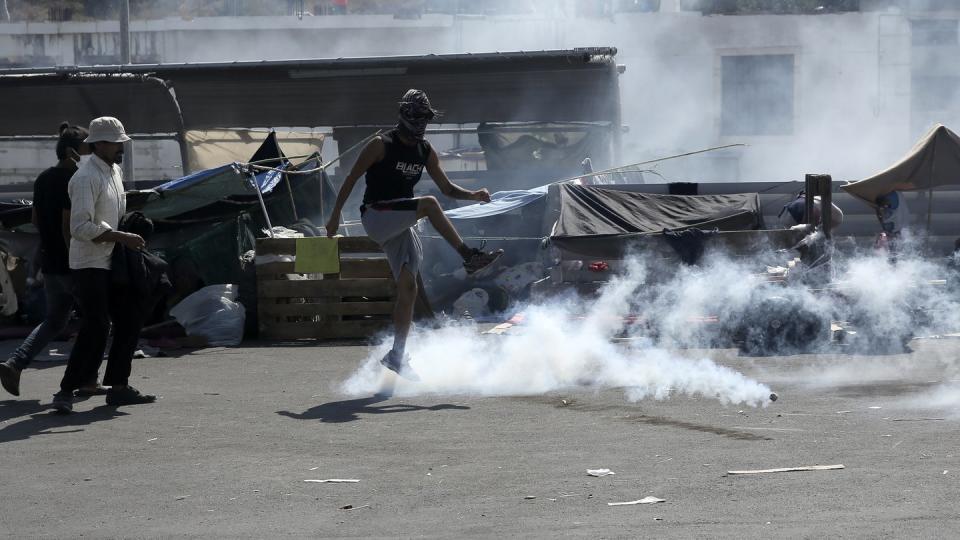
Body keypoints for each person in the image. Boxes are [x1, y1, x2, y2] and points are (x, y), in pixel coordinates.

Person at [325, 89, 503, 379]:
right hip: (376, 215)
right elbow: (350, 179)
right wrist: (334, 218)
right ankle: (468, 256)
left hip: (400, 222)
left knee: (409, 287)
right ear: (405, 116)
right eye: (418, 117)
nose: (422, 123)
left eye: (426, 118)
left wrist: (474, 195)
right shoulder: (381, 144)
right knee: (429, 204)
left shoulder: (425, 151)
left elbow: (447, 189)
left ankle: (397, 355)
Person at [50, 117, 155, 413]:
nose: (121, 147)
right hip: (89, 263)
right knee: (96, 326)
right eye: (116, 143)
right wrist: (122, 235)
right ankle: (65, 390)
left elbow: (111, 211)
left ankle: (118, 386)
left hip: (114, 259)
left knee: (130, 319)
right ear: (99, 144)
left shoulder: (114, 170)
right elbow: (80, 227)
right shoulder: (85, 178)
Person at [0, 123, 104, 398]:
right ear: (73, 151)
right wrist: (78, 260)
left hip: (51, 261)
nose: (92, 153)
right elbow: (68, 225)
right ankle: (86, 380)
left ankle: (15, 363)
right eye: (87, 148)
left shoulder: (43, 178)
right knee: (95, 319)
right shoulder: (74, 179)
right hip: (72, 263)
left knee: (56, 320)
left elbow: (35, 220)